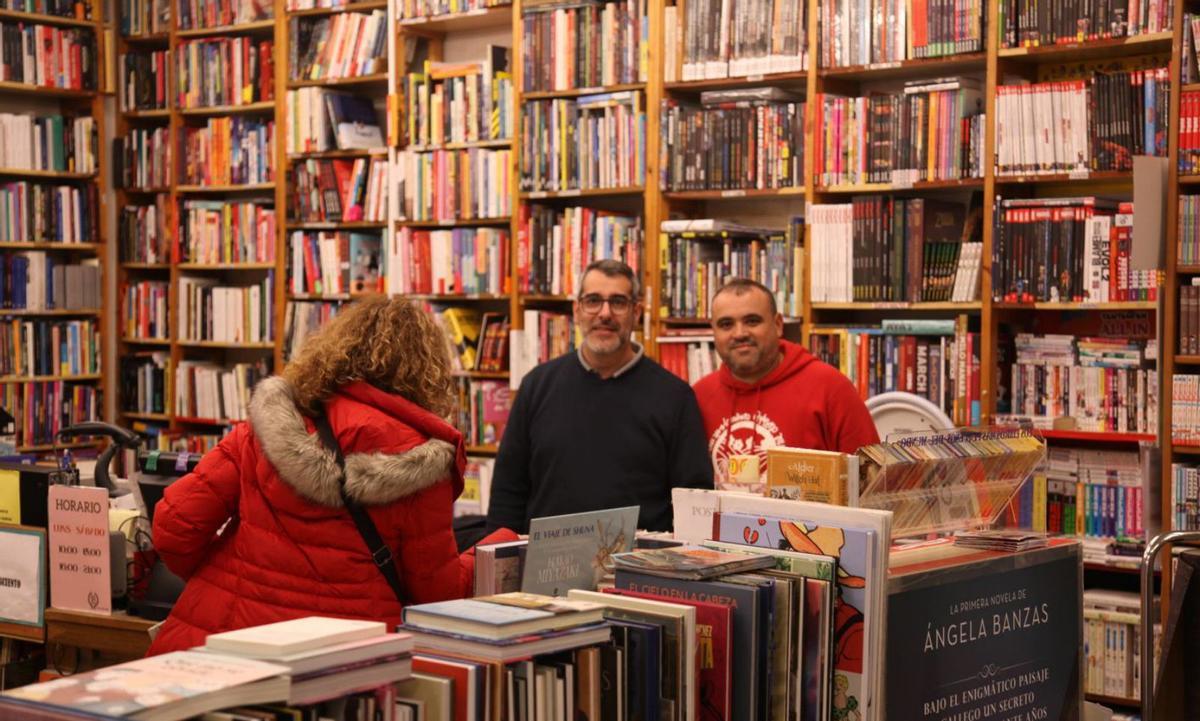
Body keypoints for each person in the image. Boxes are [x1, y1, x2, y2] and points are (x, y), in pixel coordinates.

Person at [146, 295, 517, 655]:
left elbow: (174, 527)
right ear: (427, 373)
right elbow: (436, 597)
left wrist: (228, 579)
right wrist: (502, 546)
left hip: (218, 651)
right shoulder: (424, 461)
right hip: (340, 665)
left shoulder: (267, 426)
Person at [486, 259, 713, 534]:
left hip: (637, 570)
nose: (605, 313)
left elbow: (694, 503)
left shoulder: (675, 398)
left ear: (636, 312)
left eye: (618, 302)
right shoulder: (536, 386)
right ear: (577, 310)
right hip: (545, 569)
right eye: (593, 300)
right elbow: (508, 492)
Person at [693, 278, 879, 487]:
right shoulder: (697, 396)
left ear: (778, 325)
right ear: (713, 331)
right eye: (726, 324)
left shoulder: (830, 388)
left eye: (752, 321)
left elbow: (872, 486)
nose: (740, 333)